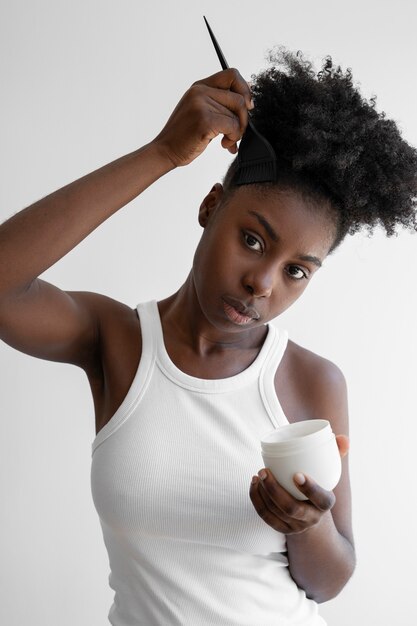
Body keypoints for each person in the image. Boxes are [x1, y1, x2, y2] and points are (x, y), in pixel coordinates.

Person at [0, 49, 416, 625]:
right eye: (251, 239)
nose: (261, 283)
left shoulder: (311, 382)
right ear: (210, 206)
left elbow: (329, 582)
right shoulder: (116, 341)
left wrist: (309, 522)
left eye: (297, 271)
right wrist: (163, 153)